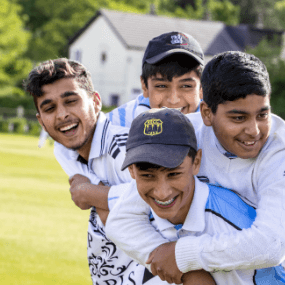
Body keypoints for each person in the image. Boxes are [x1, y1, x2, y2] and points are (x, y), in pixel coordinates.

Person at [106, 51, 285, 285]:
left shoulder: (283, 147)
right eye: (238, 117)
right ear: (207, 113)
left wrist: (182, 256)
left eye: (262, 115)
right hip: (240, 267)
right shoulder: (186, 135)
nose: (253, 131)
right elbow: (121, 219)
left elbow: (272, 245)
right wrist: (178, 264)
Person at [23, 58, 208, 285]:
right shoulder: (64, 150)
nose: (62, 115)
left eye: (71, 101)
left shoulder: (124, 149)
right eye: (50, 108)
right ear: (41, 121)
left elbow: (166, 213)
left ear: (96, 102)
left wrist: (95, 195)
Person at [117, 107, 285, 284]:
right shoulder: (139, 214)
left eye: (174, 174)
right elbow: (118, 222)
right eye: (147, 176)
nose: (162, 193)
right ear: (132, 171)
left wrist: (182, 258)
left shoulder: (237, 225)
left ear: (196, 162)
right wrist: (188, 273)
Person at [53, 31, 205, 220]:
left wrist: (97, 195)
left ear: (201, 88)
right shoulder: (119, 122)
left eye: (186, 86)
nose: (173, 99)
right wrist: (89, 186)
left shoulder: (216, 124)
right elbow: (66, 146)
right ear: (144, 86)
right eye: (161, 86)